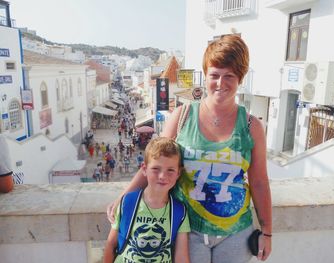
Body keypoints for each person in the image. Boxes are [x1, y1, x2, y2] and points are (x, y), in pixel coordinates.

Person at [107, 35, 272, 262]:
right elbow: (155, 163)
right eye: (214, 75)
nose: (220, 83)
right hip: (187, 230)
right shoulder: (182, 117)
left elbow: (260, 182)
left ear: (240, 78)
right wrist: (125, 197)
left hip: (236, 233)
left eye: (229, 76)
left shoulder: (252, 127)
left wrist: (267, 231)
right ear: (205, 76)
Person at [104, 137, 190, 263]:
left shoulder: (179, 211)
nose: (162, 176)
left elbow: (181, 257)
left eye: (170, 170)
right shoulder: (127, 203)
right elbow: (111, 245)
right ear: (144, 169)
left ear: (178, 173)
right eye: (156, 169)